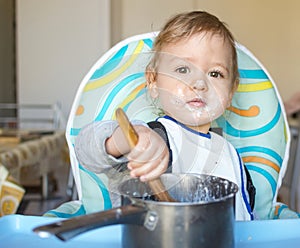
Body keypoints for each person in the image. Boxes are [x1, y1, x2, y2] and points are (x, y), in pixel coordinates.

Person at [75, 11, 255, 221]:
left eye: (215, 73)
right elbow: (86, 149)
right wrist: (125, 140)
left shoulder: (230, 156)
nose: (199, 83)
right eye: (182, 69)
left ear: (231, 92)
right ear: (153, 82)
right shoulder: (152, 138)